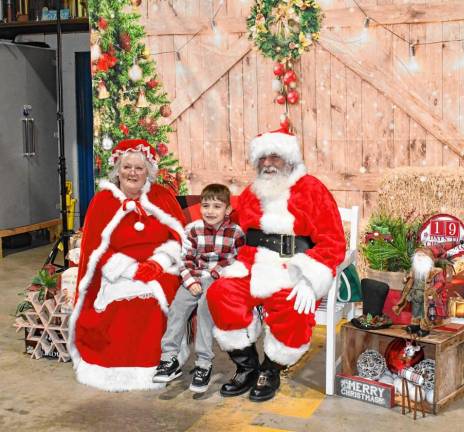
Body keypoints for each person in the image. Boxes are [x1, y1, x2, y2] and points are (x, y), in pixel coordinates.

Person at [206, 128, 346, 402]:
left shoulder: (312, 189)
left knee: (293, 306)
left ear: (290, 159)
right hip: (252, 264)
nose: (268, 164)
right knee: (220, 294)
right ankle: (247, 367)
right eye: (263, 158)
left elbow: (333, 241)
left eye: (275, 157)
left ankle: (271, 369)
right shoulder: (252, 192)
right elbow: (233, 228)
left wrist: (311, 278)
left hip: (293, 267)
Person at [68, 139, 187, 392]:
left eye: (139, 168)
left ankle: (160, 363)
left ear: (149, 171)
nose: (132, 173)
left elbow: (179, 238)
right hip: (116, 270)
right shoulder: (103, 200)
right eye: (127, 167)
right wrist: (130, 270)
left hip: (160, 269)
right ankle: (115, 368)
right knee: (122, 301)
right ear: (117, 170)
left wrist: (159, 262)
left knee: (153, 300)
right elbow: (94, 248)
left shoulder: (162, 196)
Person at [152, 184, 245, 392]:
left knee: (205, 310)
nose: (210, 211)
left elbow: (235, 259)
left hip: (218, 280)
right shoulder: (192, 229)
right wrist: (192, 281)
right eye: (205, 206)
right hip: (193, 279)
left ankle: (203, 362)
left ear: (227, 210)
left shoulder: (235, 232)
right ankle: (169, 359)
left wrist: (213, 275)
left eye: (217, 206)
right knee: (177, 308)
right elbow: (186, 259)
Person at [393, 247, 446, 337]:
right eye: (418, 256)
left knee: (425, 312)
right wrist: (405, 279)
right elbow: (408, 278)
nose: (420, 258)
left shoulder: (436, 271)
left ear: (428, 258)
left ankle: (424, 328)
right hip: (414, 294)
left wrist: (433, 290)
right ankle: (415, 325)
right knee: (415, 311)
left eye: (422, 256)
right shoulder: (414, 270)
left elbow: (440, 282)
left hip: (426, 296)